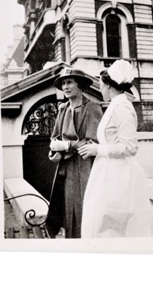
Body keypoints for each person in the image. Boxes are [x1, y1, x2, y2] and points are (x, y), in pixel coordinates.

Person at [78, 59, 151, 238]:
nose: (100, 89)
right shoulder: (115, 105)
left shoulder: (123, 108)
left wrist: (98, 150)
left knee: (112, 223)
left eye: (101, 85)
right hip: (108, 171)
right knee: (100, 222)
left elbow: (130, 147)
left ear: (109, 86)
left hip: (120, 175)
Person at [45, 67, 103, 238]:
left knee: (84, 208)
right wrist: (54, 149)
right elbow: (54, 138)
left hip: (85, 167)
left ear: (81, 85)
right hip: (65, 168)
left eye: (69, 82)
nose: (65, 86)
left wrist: (67, 145)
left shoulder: (92, 107)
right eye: (63, 83)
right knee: (66, 210)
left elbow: (93, 142)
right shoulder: (63, 108)